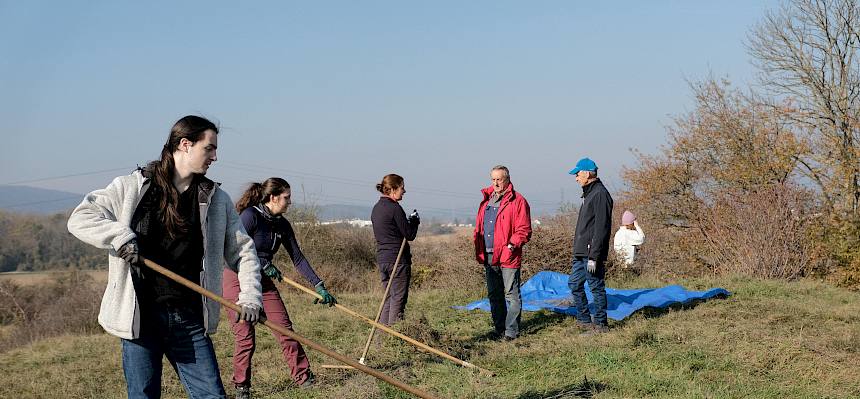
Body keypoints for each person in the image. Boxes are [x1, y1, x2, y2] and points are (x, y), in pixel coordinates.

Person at [67, 115, 263, 399]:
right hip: (140, 317)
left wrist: (250, 296)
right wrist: (120, 237)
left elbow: (244, 251)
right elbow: (81, 218)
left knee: (212, 396)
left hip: (188, 317)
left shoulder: (214, 199)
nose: (215, 157)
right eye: (209, 148)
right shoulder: (131, 188)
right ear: (185, 144)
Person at [227, 177, 337, 398]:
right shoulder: (250, 216)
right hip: (236, 278)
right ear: (273, 197)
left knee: (285, 329)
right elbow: (233, 247)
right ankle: (241, 386)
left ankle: (303, 377)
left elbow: (297, 258)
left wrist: (318, 284)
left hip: (263, 282)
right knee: (246, 335)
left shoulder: (282, 224)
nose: (289, 202)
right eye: (286, 198)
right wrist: (263, 262)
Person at [473, 165, 532, 340]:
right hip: (489, 255)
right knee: (494, 294)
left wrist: (511, 246)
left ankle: (511, 331)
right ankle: (499, 328)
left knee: (511, 294)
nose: (496, 183)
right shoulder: (486, 201)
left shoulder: (518, 201)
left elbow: (524, 230)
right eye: (493, 179)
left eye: (499, 179)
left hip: (508, 255)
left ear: (507, 179)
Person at [568, 157, 614, 334]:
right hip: (581, 252)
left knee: (595, 286)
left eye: (578, 174)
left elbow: (602, 228)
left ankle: (601, 324)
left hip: (591, 253)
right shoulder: (589, 194)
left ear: (587, 174)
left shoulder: (600, 194)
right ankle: (584, 319)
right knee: (574, 284)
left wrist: (594, 256)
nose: (576, 177)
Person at [370, 174, 419, 326]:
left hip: (383, 260)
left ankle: (381, 340)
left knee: (388, 300)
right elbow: (409, 234)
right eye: (402, 188)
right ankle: (394, 337)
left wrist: (408, 222)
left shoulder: (376, 208)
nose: (404, 191)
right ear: (392, 189)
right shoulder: (394, 208)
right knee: (398, 300)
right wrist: (415, 222)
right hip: (397, 261)